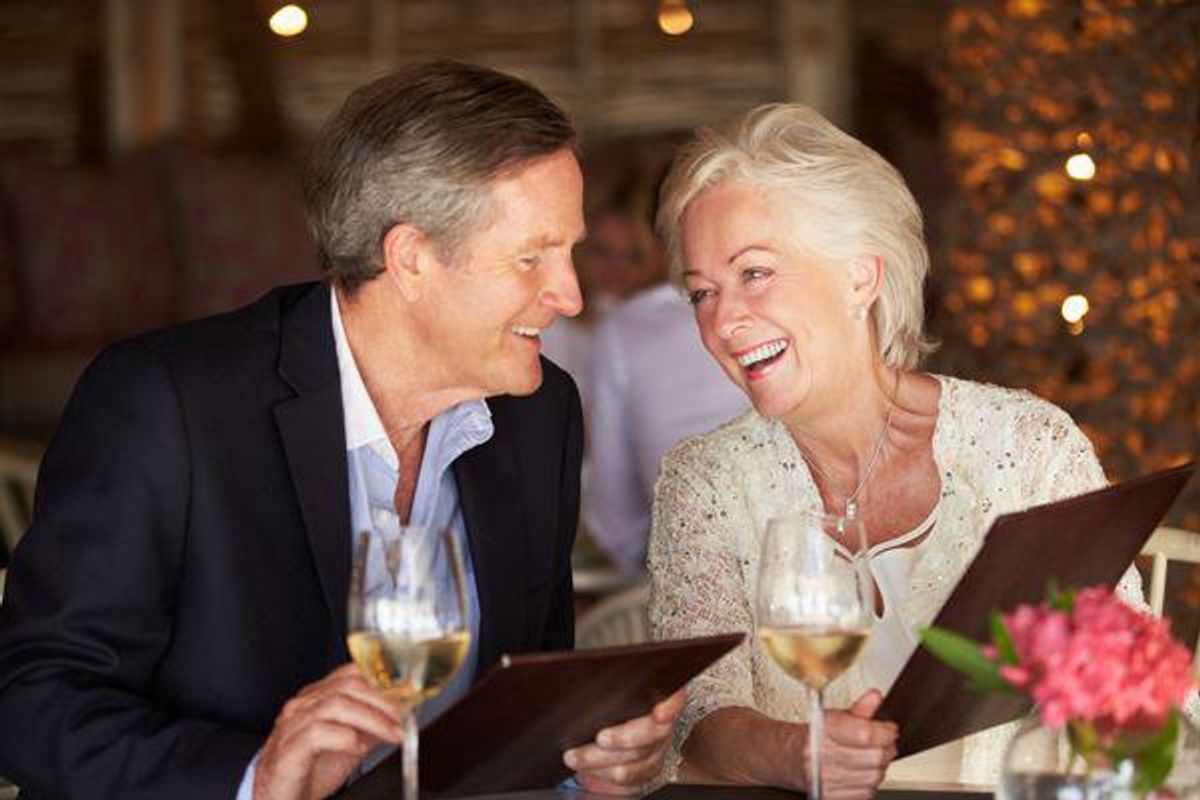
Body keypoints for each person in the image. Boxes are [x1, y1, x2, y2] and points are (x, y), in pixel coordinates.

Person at [0, 61, 681, 799]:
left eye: (569, 252)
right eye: (531, 259)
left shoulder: (539, 414)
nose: (572, 297)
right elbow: (32, 700)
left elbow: (527, 712)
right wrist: (255, 779)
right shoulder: (167, 404)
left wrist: (589, 762)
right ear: (411, 259)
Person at [646, 103, 1144, 795]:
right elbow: (695, 714)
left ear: (861, 277)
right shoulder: (705, 480)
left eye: (754, 273)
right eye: (702, 292)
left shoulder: (1028, 446)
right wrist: (796, 753)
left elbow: (1137, 693)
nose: (723, 321)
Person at [585, 196, 746, 574]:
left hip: (676, 569)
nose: (616, 271)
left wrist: (642, 565)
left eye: (631, 256)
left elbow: (613, 515)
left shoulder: (621, 331)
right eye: (602, 254)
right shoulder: (769, 311)